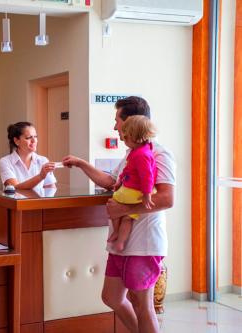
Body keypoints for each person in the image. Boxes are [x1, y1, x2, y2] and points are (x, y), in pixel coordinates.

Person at [62, 96, 175, 333]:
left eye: (117, 120)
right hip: (124, 245)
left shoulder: (158, 154)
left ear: (131, 121)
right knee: (111, 297)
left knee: (143, 306)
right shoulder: (131, 152)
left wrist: (124, 209)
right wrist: (82, 164)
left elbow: (166, 198)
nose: (115, 126)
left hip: (144, 244)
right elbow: (112, 182)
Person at [108, 115, 157, 252]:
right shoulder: (139, 151)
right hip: (136, 192)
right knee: (127, 219)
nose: (124, 140)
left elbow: (147, 176)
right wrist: (119, 182)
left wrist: (147, 194)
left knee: (113, 205)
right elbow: (127, 170)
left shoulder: (141, 155)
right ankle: (121, 241)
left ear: (136, 137)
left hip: (134, 192)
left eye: (126, 137)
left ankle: (116, 232)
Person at [0, 122, 56, 192]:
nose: (34, 140)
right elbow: (15, 188)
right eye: (29, 138)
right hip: (17, 203)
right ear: (16, 141)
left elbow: (50, 189)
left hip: (39, 202)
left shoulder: (43, 160)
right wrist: (40, 176)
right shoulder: (5, 161)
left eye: (35, 137)